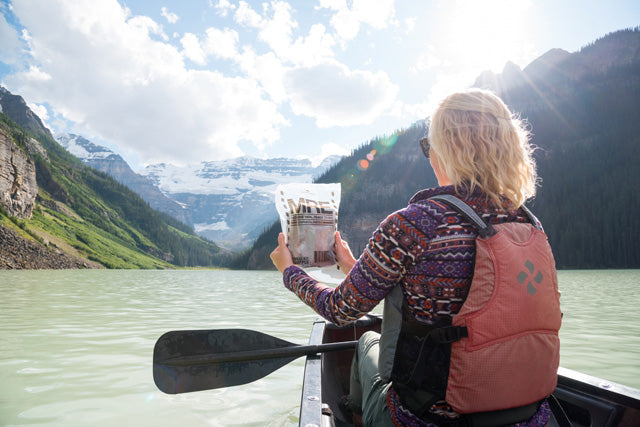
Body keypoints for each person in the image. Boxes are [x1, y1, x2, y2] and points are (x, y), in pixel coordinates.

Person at [270, 88, 559, 427]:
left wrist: (289, 271)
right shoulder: (528, 224)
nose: (430, 156)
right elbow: (466, 304)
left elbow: (339, 310)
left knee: (365, 341)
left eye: (429, 146)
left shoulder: (415, 223)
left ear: (447, 151)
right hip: (533, 418)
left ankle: (359, 418)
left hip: (424, 421)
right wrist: (355, 266)